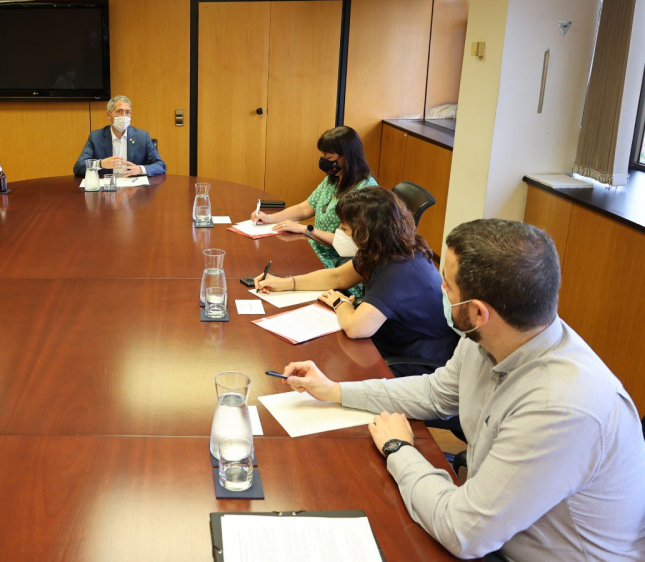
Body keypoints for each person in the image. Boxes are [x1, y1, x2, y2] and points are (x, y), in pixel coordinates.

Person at [277, 219, 645, 560]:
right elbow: (435, 394)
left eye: (447, 284)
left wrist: (398, 449)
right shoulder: (496, 334)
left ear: (479, 311)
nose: (440, 289)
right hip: (496, 532)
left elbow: (462, 533)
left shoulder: (561, 407)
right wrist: (336, 390)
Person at [254, 187, 457, 375]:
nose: (341, 233)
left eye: (346, 228)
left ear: (367, 231)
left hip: (415, 362)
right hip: (389, 339)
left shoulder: (399, 269)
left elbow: (355, 328)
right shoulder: (384, 248)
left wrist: (339, 303)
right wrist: (285, 283)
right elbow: (338, 276)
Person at [251, 126, 376, 272]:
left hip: (338, 265)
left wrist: (306, 230)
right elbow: (305, 208)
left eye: (328, 157)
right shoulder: (334, 179)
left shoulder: (365, 191)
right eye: (322, 155)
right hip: (315, 250)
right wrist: (270, 218)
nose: (324, 161)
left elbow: (349, 243)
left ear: (346, 157)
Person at [73, 95, 166, 177]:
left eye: (127, 112)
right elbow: (78, 167)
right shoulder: (96, 137)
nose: (124, 116)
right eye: (119, 111)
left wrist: (140, 169)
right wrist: (100, 164)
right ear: (109, 115)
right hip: (107, 190)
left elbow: (160, 165)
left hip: (134, 190)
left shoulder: (142, 137)